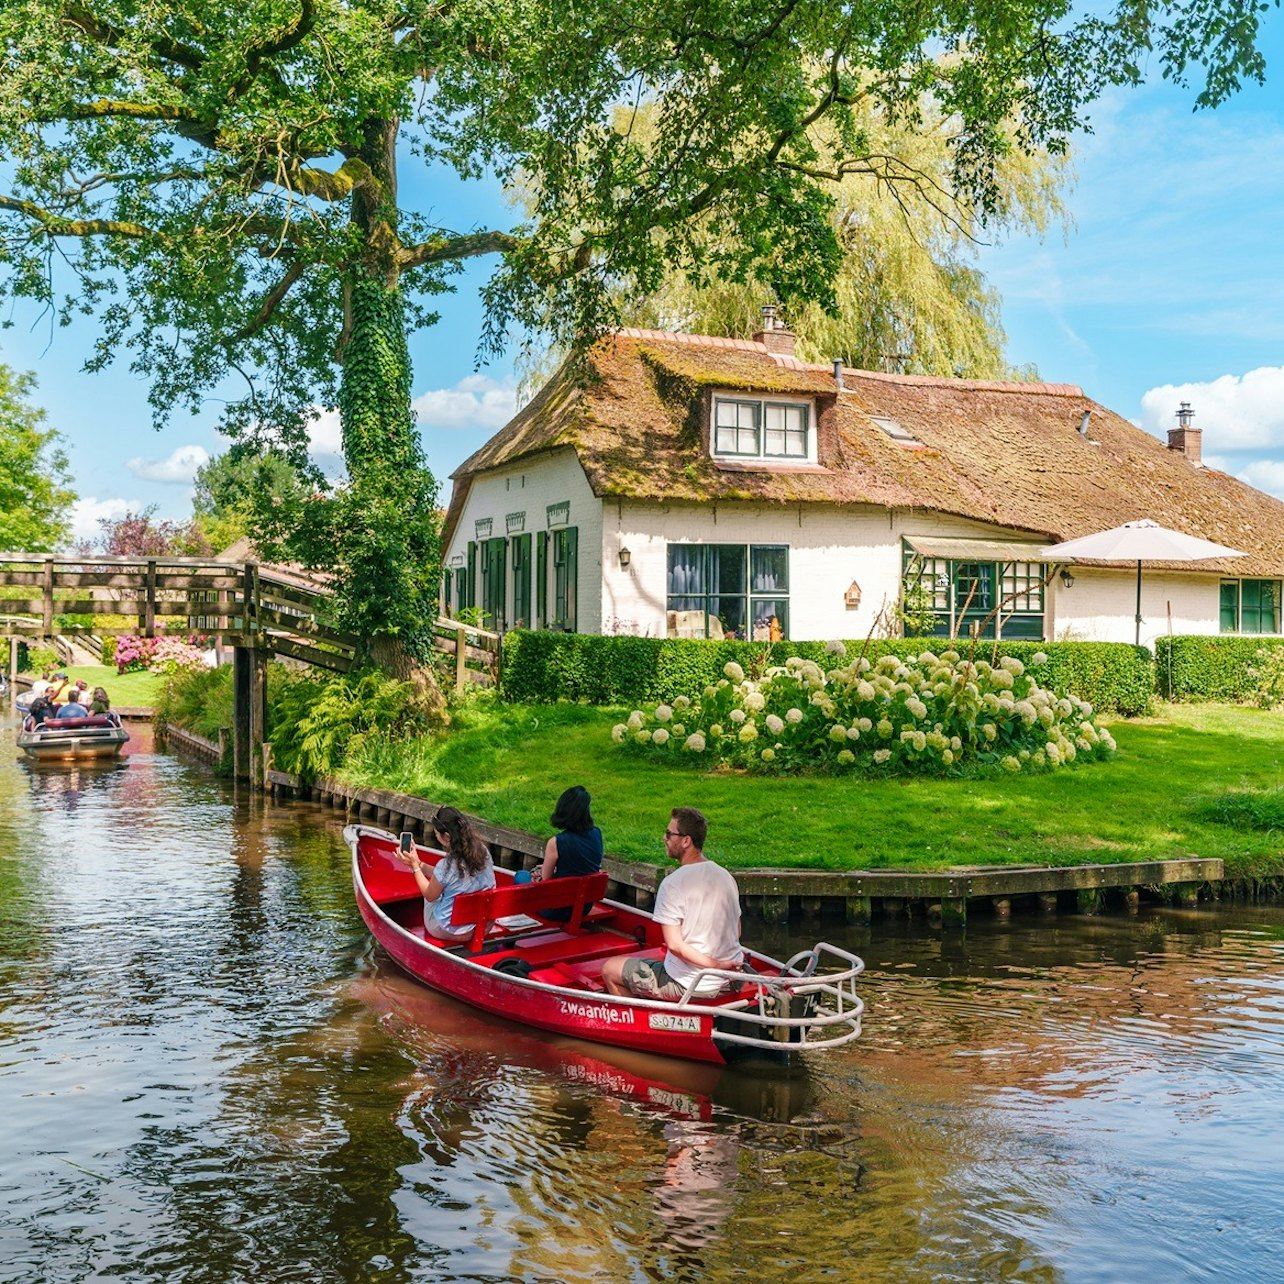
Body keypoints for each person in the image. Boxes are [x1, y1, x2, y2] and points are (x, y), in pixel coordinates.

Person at [601, 807, 744, 1000]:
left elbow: (675, 946)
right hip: (732, 980)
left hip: (691, 984)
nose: (664, 838)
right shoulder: (725, 876)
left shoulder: (673, 884)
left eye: (669, 834)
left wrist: (716, 965)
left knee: (610, 969)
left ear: (686, 841)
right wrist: (723, 966)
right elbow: (737, 930)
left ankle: (645, 1021)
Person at [398, 806, 495, 942]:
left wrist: (415, 868)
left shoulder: (446, 865)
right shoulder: (483, 852)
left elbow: (430, 895)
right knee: (447, 887)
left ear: (447, 837)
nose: (436, 836)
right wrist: (419, 864)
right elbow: (447, 876)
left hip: (451, 931)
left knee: (432, 892)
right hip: (483, 926)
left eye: (437, 834)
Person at [533, 785, 604, 921]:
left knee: (521, 877)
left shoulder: (556, 842)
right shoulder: (597, 833)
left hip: (556, 909)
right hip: (584, 907)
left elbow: (545, 880)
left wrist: (540, 874)